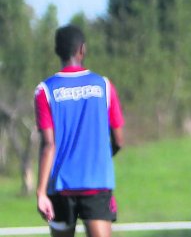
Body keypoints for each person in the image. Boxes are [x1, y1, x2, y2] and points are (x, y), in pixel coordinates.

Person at [35, 25, 125, 237]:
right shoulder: (103, 86)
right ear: (82, 50)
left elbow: (48, 145)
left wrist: (40, 192)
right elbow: (119, 140)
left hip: (60, 187)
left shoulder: (45, 90)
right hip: (96, 184)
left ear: (57, 51)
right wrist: (99, 158)